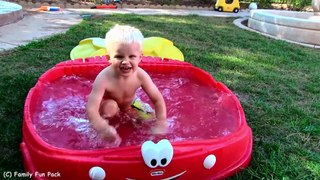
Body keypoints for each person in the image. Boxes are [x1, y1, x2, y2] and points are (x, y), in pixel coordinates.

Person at [86, 24, 168, 144]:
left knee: (151, 117)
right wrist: (102, 127)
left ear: (140, 57)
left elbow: (158, 99)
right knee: (111, 109)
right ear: (109, 57)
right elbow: (91, 108)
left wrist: (161, 122)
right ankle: (109, 125)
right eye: (119, 56)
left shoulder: (141, 75)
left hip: (130, 104)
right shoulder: (104, 78)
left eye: (132, 56)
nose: (125, 62)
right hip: (107, 105)